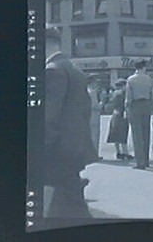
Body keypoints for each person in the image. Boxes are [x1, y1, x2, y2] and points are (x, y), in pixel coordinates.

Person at [44, 26, 98, 218]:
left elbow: (49, 118)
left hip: (57, 154)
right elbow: (85, 110)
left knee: (59, 210)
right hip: (74, 150)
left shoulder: (52, 70)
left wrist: (39, 152)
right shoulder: (73, 68)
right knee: (71, 206)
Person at [125, 60, 153, 170]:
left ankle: (140, 162)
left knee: (137, 134)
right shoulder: (149, 79)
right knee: (146, 133)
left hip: (135, 105)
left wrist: (127, 108)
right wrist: (152, 105)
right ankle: (147, 160)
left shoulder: (131, 79)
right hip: (146, 104)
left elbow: (128, 96)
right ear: (143, 68)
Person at [106, 78, 134, 160]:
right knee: (123, 134)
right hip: (122, 114)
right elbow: (126, 104)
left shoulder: (113, 93)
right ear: (123, 85)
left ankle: (118, 152)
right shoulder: (123, 93)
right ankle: (125, 152)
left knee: (115, 134)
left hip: (115, 114)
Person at [87, 74, 104, 159]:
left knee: (89, 135)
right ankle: (94, 154)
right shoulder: (93, 92)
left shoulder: (85, 90)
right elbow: (95, 106)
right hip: (94, 115)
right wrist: (102, 102)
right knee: (95, 135)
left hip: (87, 116)